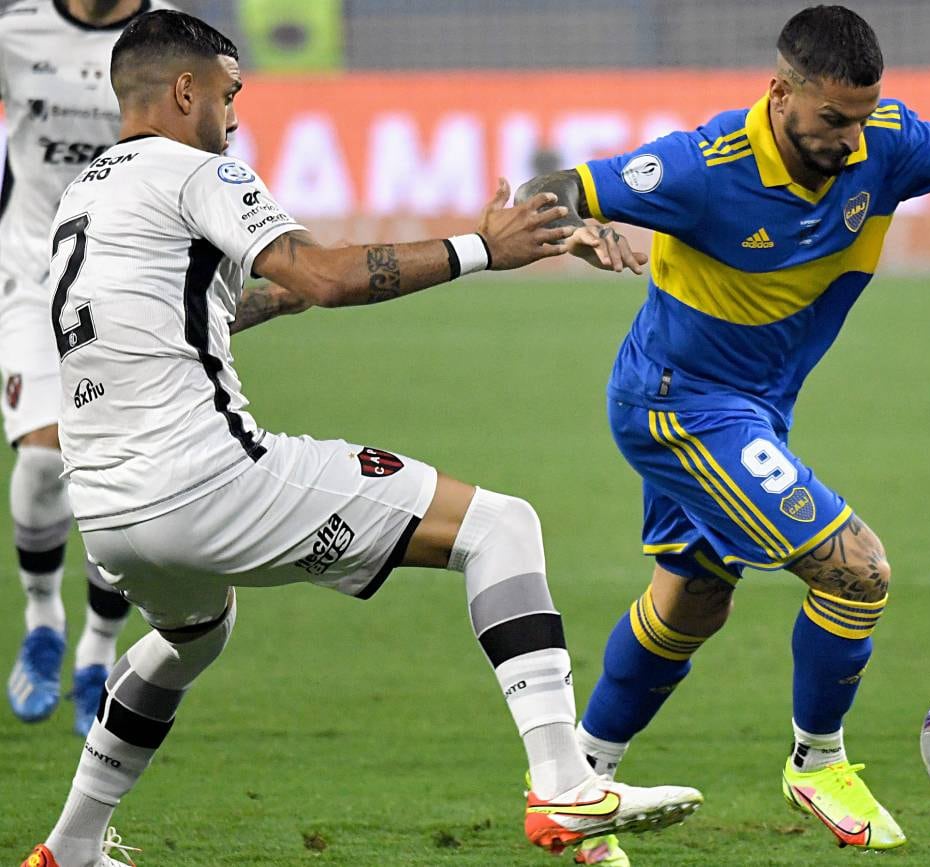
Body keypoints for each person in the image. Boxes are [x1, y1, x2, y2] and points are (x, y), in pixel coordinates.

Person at [23, 10, 701, 867]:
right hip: (204, 481)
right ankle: (565, 785)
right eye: (229, 95)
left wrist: (448, 251)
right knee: (500, 526)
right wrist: (480, 249)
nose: (235, 117)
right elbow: (328, 274)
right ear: (185, 89)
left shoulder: (88, 192)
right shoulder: (197, 171)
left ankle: (71, 845)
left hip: (110, 514)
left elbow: (228, 310)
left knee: (195, 633)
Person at [517, 4, 930, 860]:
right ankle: (816, 759)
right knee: (857, 571)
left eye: (862, 116)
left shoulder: (886, 142)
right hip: (679, 404)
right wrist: (579, 227)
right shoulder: (703, 165)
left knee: (693, 600)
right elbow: (557, 189)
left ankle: (575, 791)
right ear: (780, 92)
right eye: (832, 118)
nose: (849, 138)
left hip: (750, 407)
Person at [0, 0, 169, 738]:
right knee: (44, 460)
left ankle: (99, 650)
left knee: (113, 476)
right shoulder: (16, 28)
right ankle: (43, 621)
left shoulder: (169, 38)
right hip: (29, 276)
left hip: (127, 283)